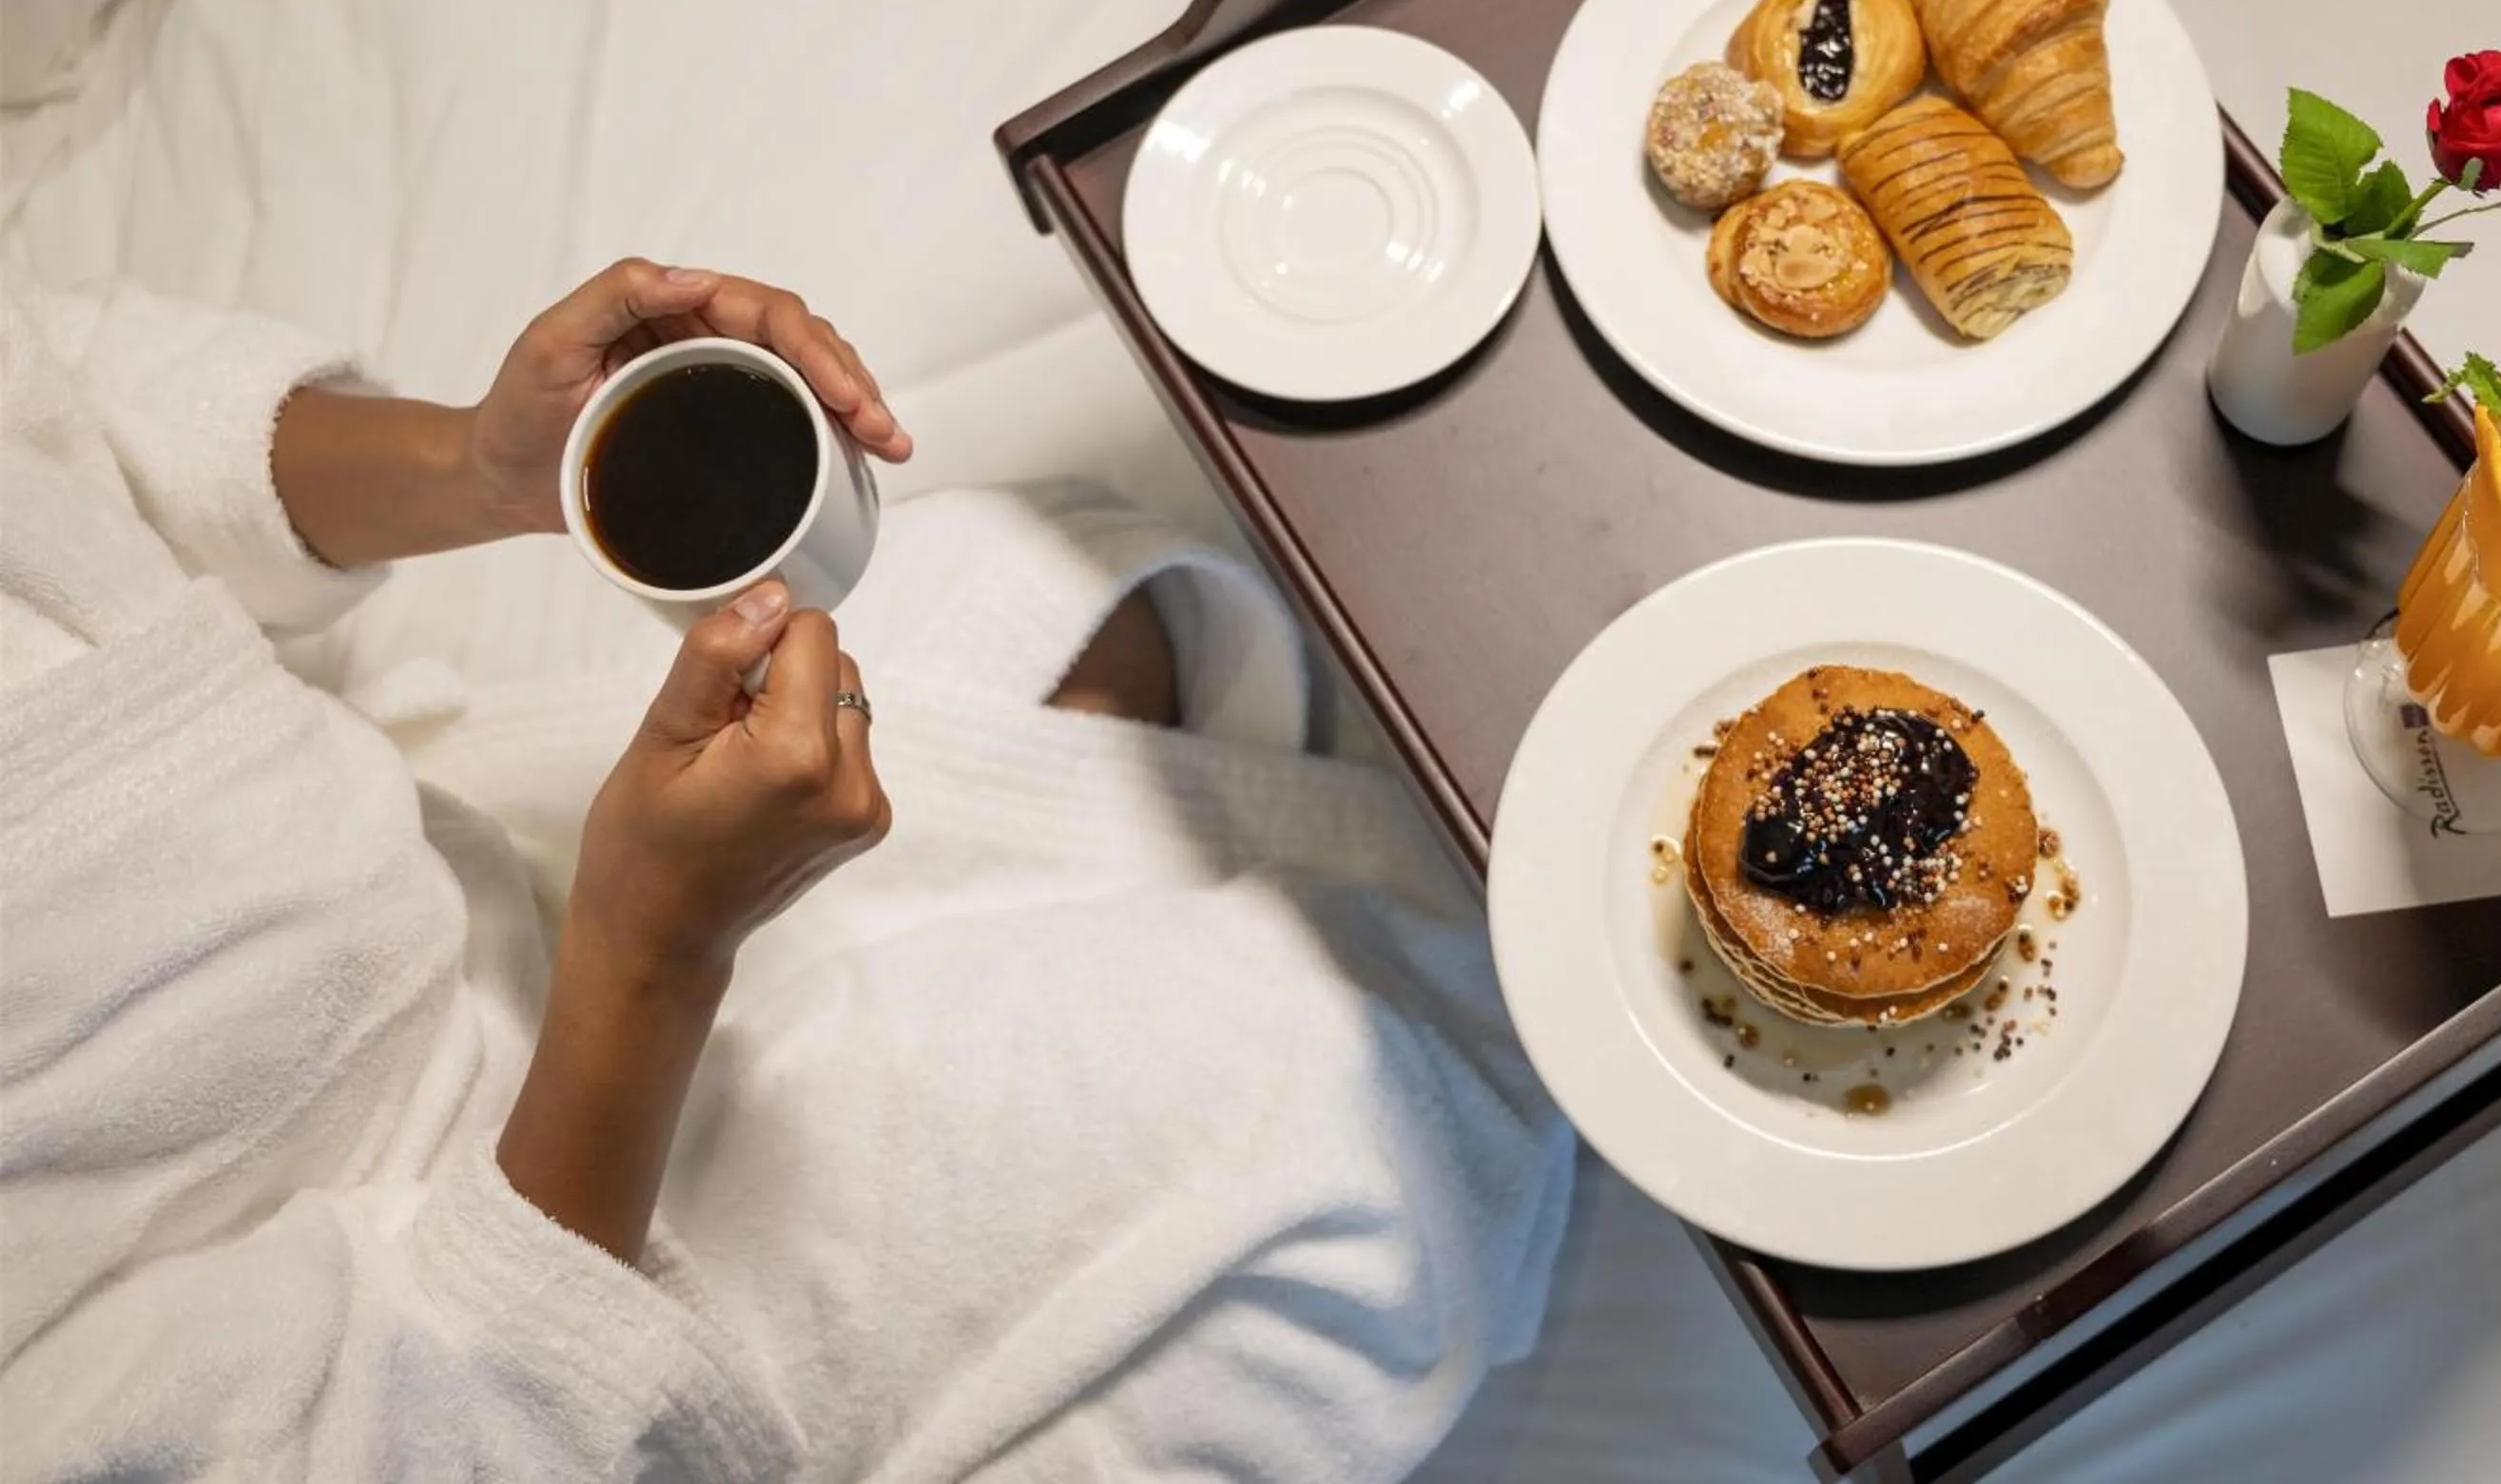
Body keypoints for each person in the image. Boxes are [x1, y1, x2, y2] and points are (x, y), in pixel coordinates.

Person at [0, 260, 1567, 1480]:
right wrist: (652, 954)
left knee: (1068, 585)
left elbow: (79, 408)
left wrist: (483, 465)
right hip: (537, 1266)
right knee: (1368, 1104)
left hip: (488, 865)